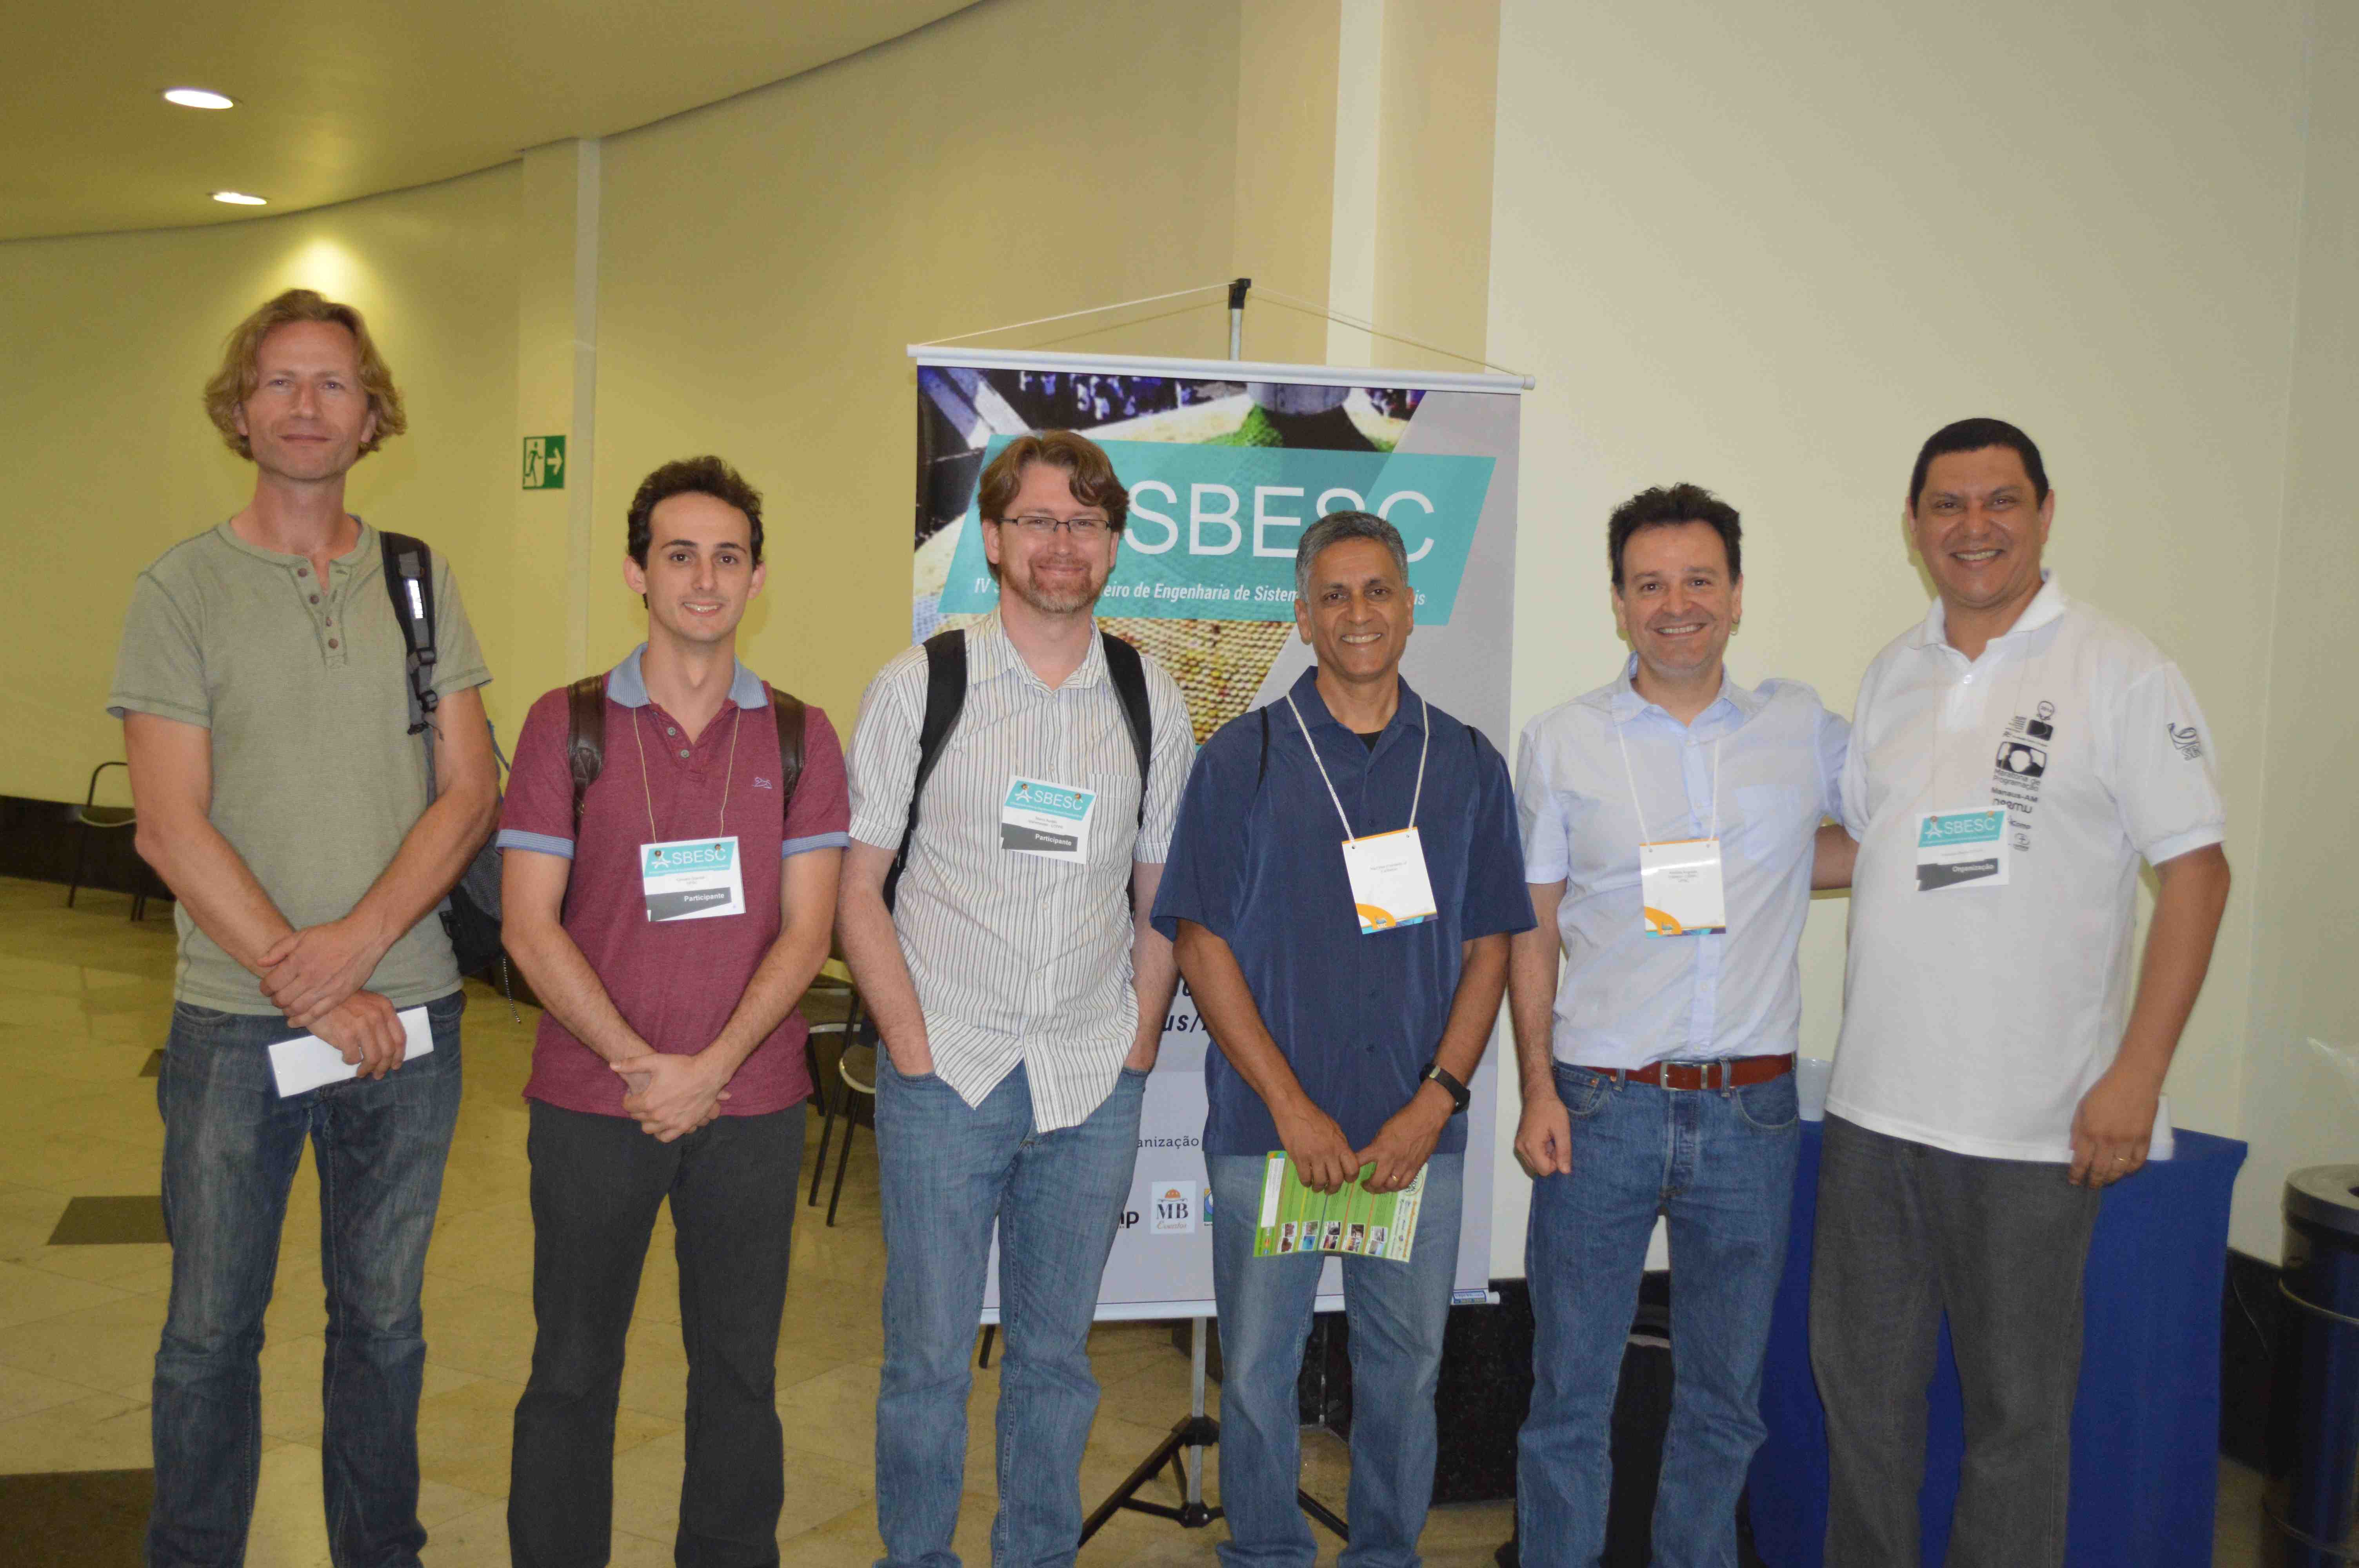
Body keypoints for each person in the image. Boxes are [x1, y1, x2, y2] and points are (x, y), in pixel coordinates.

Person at [110, 289, 498, 1566]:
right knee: (210, 1332)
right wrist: (315, 984)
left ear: (372, 413)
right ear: (239, 408)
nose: (305, 405)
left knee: (384, 1328)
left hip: (410, 1022)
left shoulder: (419, 579)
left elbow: (469, 791)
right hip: (237, 1027)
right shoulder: (180, 590)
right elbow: (168, 826)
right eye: (278, 380)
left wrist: (362, 948)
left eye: (334, 382)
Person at [1812, 419, 2232, 1567]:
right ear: (1914, 526)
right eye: (1948, 504)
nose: (1974, 526)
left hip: (2033, 1127)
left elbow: (2198, 873)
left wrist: (2137, 1074)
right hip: (1874, 1114)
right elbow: (1869, 846)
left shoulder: (2120, 669)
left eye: (2000, 500)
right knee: (1864, 1409)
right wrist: (1665, 872)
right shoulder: (1895, 673)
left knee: (2015, 1423)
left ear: (2045, 514)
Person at [840, 430, 1194, 1565]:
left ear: (1113, 546)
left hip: (1091, 1081)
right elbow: (857, 887)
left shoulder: (1150, 697)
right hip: (948, 1071)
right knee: (928, 1365)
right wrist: (910, 1046)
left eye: (1086, 524)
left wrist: (1139, 1044)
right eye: (1038, 521)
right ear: (993, 540)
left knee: (1055, 1365)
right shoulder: (920, 684)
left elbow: (1161, 893)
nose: (1063, 544)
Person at [1153, 510, 1533, 1567]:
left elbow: (1492, 947)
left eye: (1377, 592)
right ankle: (1267, 1552)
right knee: (1260, 1372)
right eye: (1334, 595)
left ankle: (1384, 1555)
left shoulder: (1467, 762)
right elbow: (1199, 943)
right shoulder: (1243, 758)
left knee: (1406, 1375)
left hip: (1415, 1141)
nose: (1357, 613)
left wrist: (1434, 1103)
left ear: (1410, 608)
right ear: (1302, 616)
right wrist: (1291, 1108)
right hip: (1270, 1138)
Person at [495, 457, 848, 1564]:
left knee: (740, 1375)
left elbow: (808, 933)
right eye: (680, 555)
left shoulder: (801, 736)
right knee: (571, 1369)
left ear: (757, 578)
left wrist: (712, 1067)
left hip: (752, 1111)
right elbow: (528, 927)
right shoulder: (566, 726)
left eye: (727, 557)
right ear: (637, 572)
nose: (704, 578)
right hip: (592, 1105)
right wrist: (643, 1065)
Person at [1508, 485, 1852, 1566]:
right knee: (1570, 1394)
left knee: (1723, 1399)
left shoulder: (1803, 732)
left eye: (1700, 580)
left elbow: (1896, 827)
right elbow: (1531, 925)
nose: (1677, 605)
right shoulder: (1563, 742)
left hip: (1752, 1114)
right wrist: (1537, 1089)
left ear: (1737, 594)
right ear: (1618, 602)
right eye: (1649, 584)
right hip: (1599, 1105)